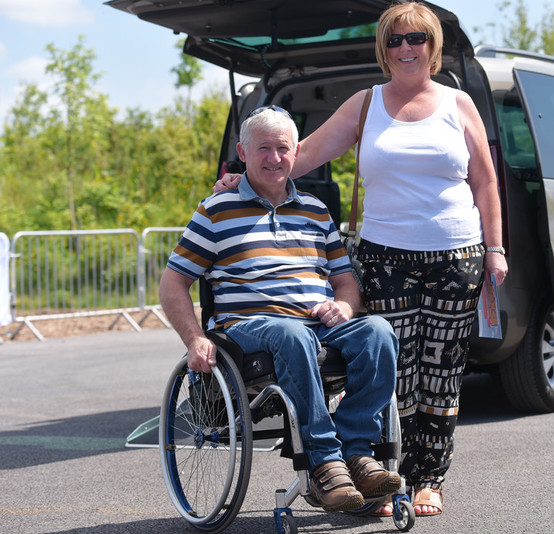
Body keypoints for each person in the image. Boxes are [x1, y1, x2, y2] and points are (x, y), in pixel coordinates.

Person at [214, 2, 508, 517]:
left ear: (432, 45)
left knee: (439, 376)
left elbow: (484, 180)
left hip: (457, 254)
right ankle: (377, 478)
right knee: (389, 371)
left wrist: (496, 247)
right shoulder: (366, 104)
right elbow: (302, 153)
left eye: (415, 38)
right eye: (394, 40)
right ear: (384, 49)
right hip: (385, 257)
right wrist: (249, 177)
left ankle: (428, 479)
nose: (405, 48)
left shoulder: (458, 104)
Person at [159, 106, 402, 513]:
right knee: (291, 334)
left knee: (377, 331)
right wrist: (194, 338)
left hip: (314, 324)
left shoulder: (316, 210)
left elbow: (345, 280)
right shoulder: (215, 211)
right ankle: (324, 461)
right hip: (248, 327)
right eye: (264, 148)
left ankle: (358, 453)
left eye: (283, 148)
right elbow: (173, 283)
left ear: (296, 152)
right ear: (243, 152)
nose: (274, 158)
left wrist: (343, 304)